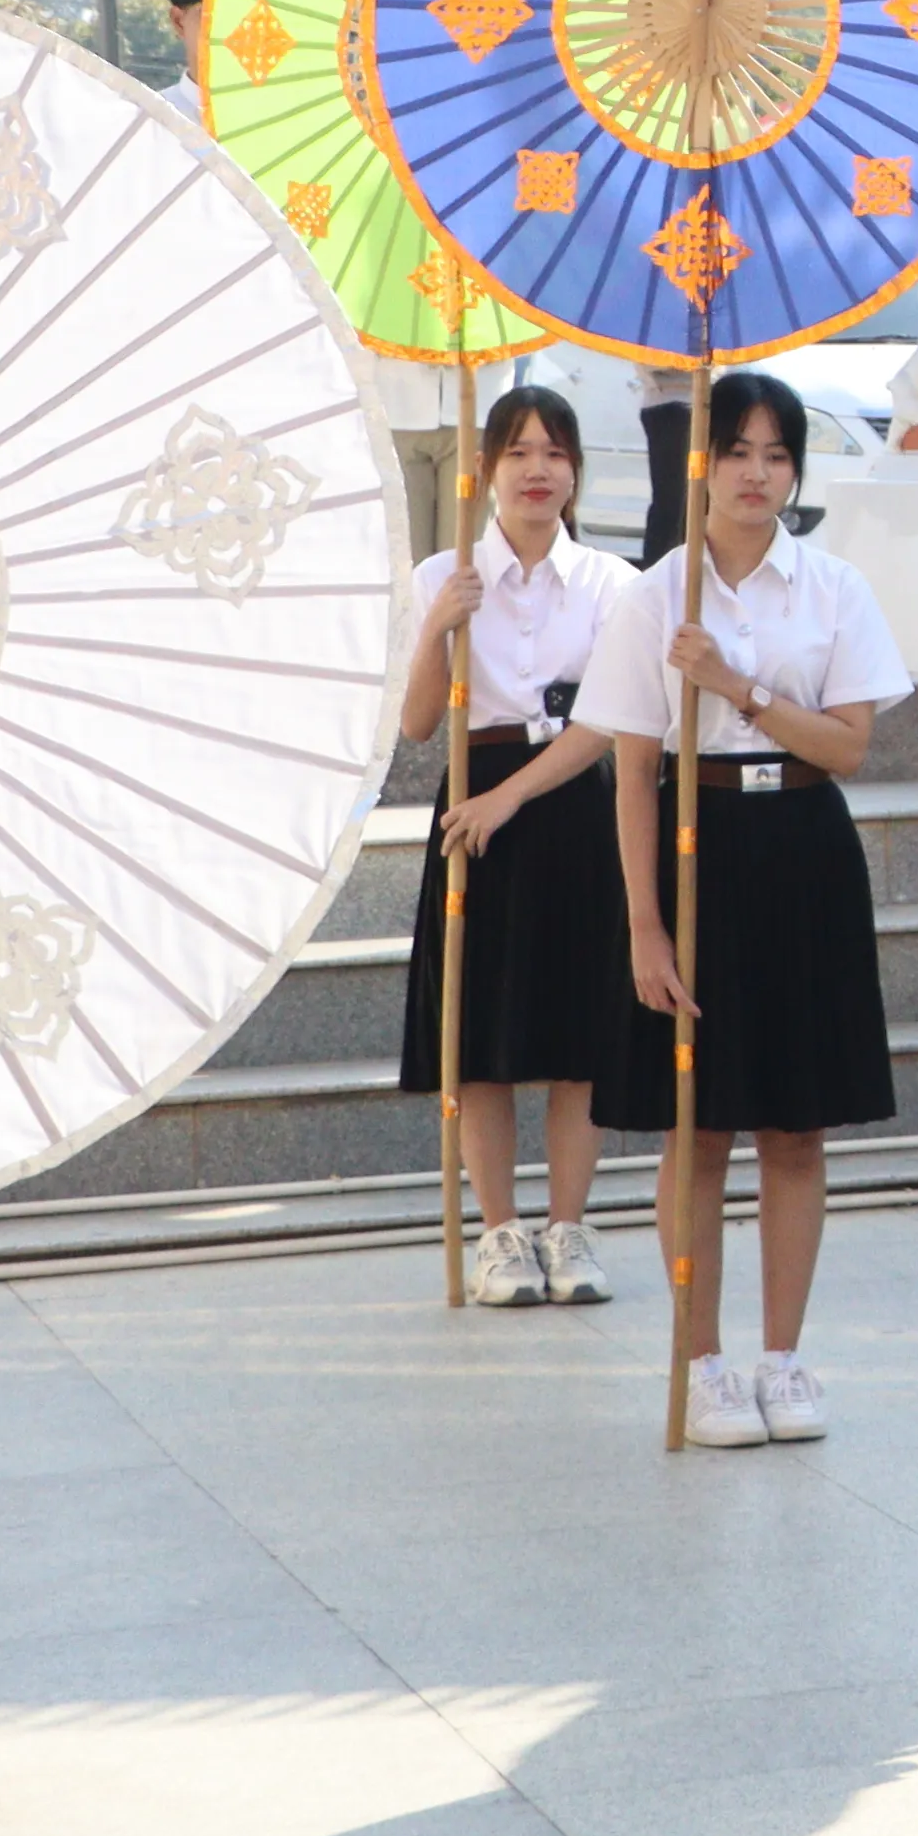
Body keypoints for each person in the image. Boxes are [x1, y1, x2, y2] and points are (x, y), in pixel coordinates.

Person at [582, 366, 906, 1449]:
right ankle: (703, 1361)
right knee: (699, 1126)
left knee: (797, 1123)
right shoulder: (652, 595)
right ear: (700, 465)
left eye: (776, 454)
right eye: (736, 452)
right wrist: (643, 924)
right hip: (694, 846)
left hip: (806, 848)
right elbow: (631, 771)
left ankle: (784, 1357)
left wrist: (735, 685)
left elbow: (850, 743)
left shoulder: (834, 590)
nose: (756, 473)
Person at [391, 384, 635, 1308]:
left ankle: (569, 1228)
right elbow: (418, 725)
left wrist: (511, 798)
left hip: (572, 805)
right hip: (471, 805)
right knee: (479, 1038)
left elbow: (607, 720)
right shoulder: (440, 575)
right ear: (485, 468)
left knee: (579, 1037)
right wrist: (438, 628)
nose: (538, 471)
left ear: (575, 471)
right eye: (519, 452)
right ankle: (499, 1233)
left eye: (556, 453)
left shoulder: (613, 583)